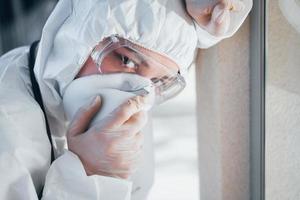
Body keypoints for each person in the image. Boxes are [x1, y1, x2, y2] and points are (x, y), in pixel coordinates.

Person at [0, 0, 252, 199]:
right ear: (78, 36)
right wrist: (91, 177)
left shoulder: (122, 100)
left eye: (158, 81)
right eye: (126, 60)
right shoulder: (8, 133)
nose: (138, 92)